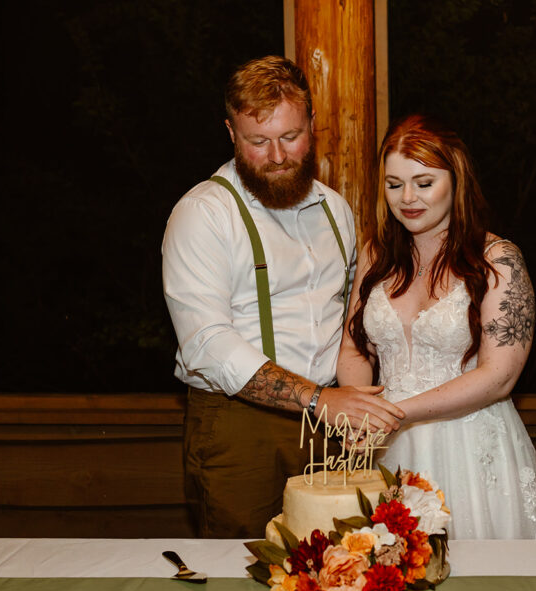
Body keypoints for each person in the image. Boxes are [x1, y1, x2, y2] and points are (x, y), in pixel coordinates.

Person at [162, 56, 404, 538]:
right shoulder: (203, 213)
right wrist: (318, 400)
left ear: (313, 126)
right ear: (231, 133)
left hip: (331, 423)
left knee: (338, 568)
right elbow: (207, 344)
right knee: (244, 574)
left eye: (290, 137)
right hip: (241, 426)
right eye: (258, 141)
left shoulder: (334, 209)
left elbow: (352, 321)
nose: (276, 156)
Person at [338, 114, 536, 539]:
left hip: (470, 447)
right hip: (385, 446)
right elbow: (354, 348)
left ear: (455, 180)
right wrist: (358, 412)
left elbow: (499, 377)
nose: (407, 198)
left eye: (424, 183)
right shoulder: (375, 253)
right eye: (394, 184)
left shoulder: (498, 260)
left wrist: (395, 413)